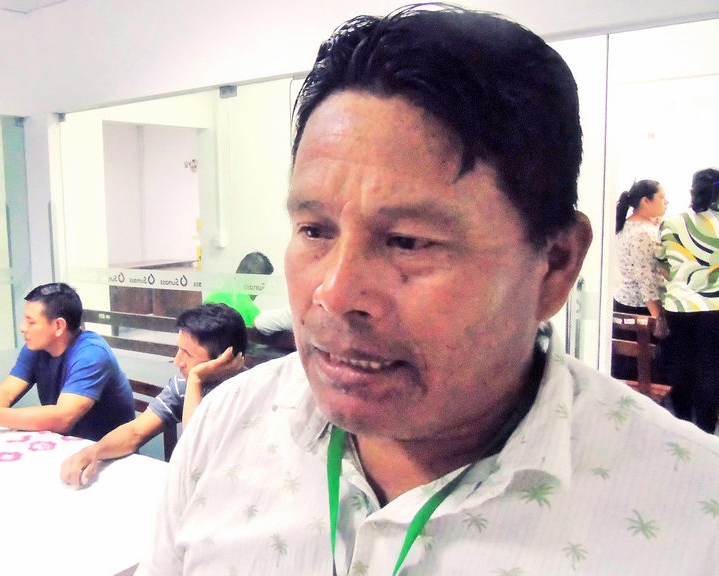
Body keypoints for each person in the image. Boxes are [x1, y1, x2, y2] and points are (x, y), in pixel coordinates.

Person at [139, 6, 719, 575]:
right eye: (314, 230)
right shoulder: (225, 428)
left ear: (555, 265)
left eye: (409, 242)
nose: (335, 294)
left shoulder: (694, 523)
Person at [59, 303, 247, 488]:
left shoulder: (250, 394)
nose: (177, 361)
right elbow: (136, 432)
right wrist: (93, 452)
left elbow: (197, 451)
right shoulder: (183, 386)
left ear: (224, 358)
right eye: (179, 349)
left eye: (187, 353)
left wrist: (196, 380)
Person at [0, 282, 134, 441]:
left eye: (31, 322)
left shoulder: (92, 354)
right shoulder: (36, 347)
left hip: (107, 454)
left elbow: (62, 418)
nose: (22, 327)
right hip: (64, 445)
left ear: (58, 326)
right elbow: (6, 392)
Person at [659, 167, 719, 433]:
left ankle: (682, 427)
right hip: (714, 309)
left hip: (678, 306)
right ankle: (705, 433)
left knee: (681, 368)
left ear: (692, 191)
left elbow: (661, 265)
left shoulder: (672, 222)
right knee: (711, 371)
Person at [611, 180, 669, 381]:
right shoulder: (644, 234)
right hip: (641, 310)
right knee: (644, 373)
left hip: (625, 304)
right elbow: (647, 281)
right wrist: (658, 318)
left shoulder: (628, 225)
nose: (666, 202)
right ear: (646, 201)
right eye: (662, 197)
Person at [203, 251, 274, 326]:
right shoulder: (251, 311)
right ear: (257, 282)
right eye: (263, 284)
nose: (262, 289)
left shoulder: (213, 296)